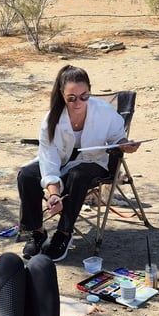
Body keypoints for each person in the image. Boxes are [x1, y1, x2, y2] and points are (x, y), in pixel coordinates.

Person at [17, 65, 140, 262]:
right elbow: (49, 159)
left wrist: (126, 145)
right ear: (61, 95)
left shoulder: (104, 111)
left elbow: (118, 137)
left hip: (93, 161)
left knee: (78, 175)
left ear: (90, 90)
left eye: (84, 96)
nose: (78, 102)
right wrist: (54, 193)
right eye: (71, 98)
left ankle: (64, 234)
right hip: (61, 162)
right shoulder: (51, 121)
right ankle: (37, 232)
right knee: (27, 175)